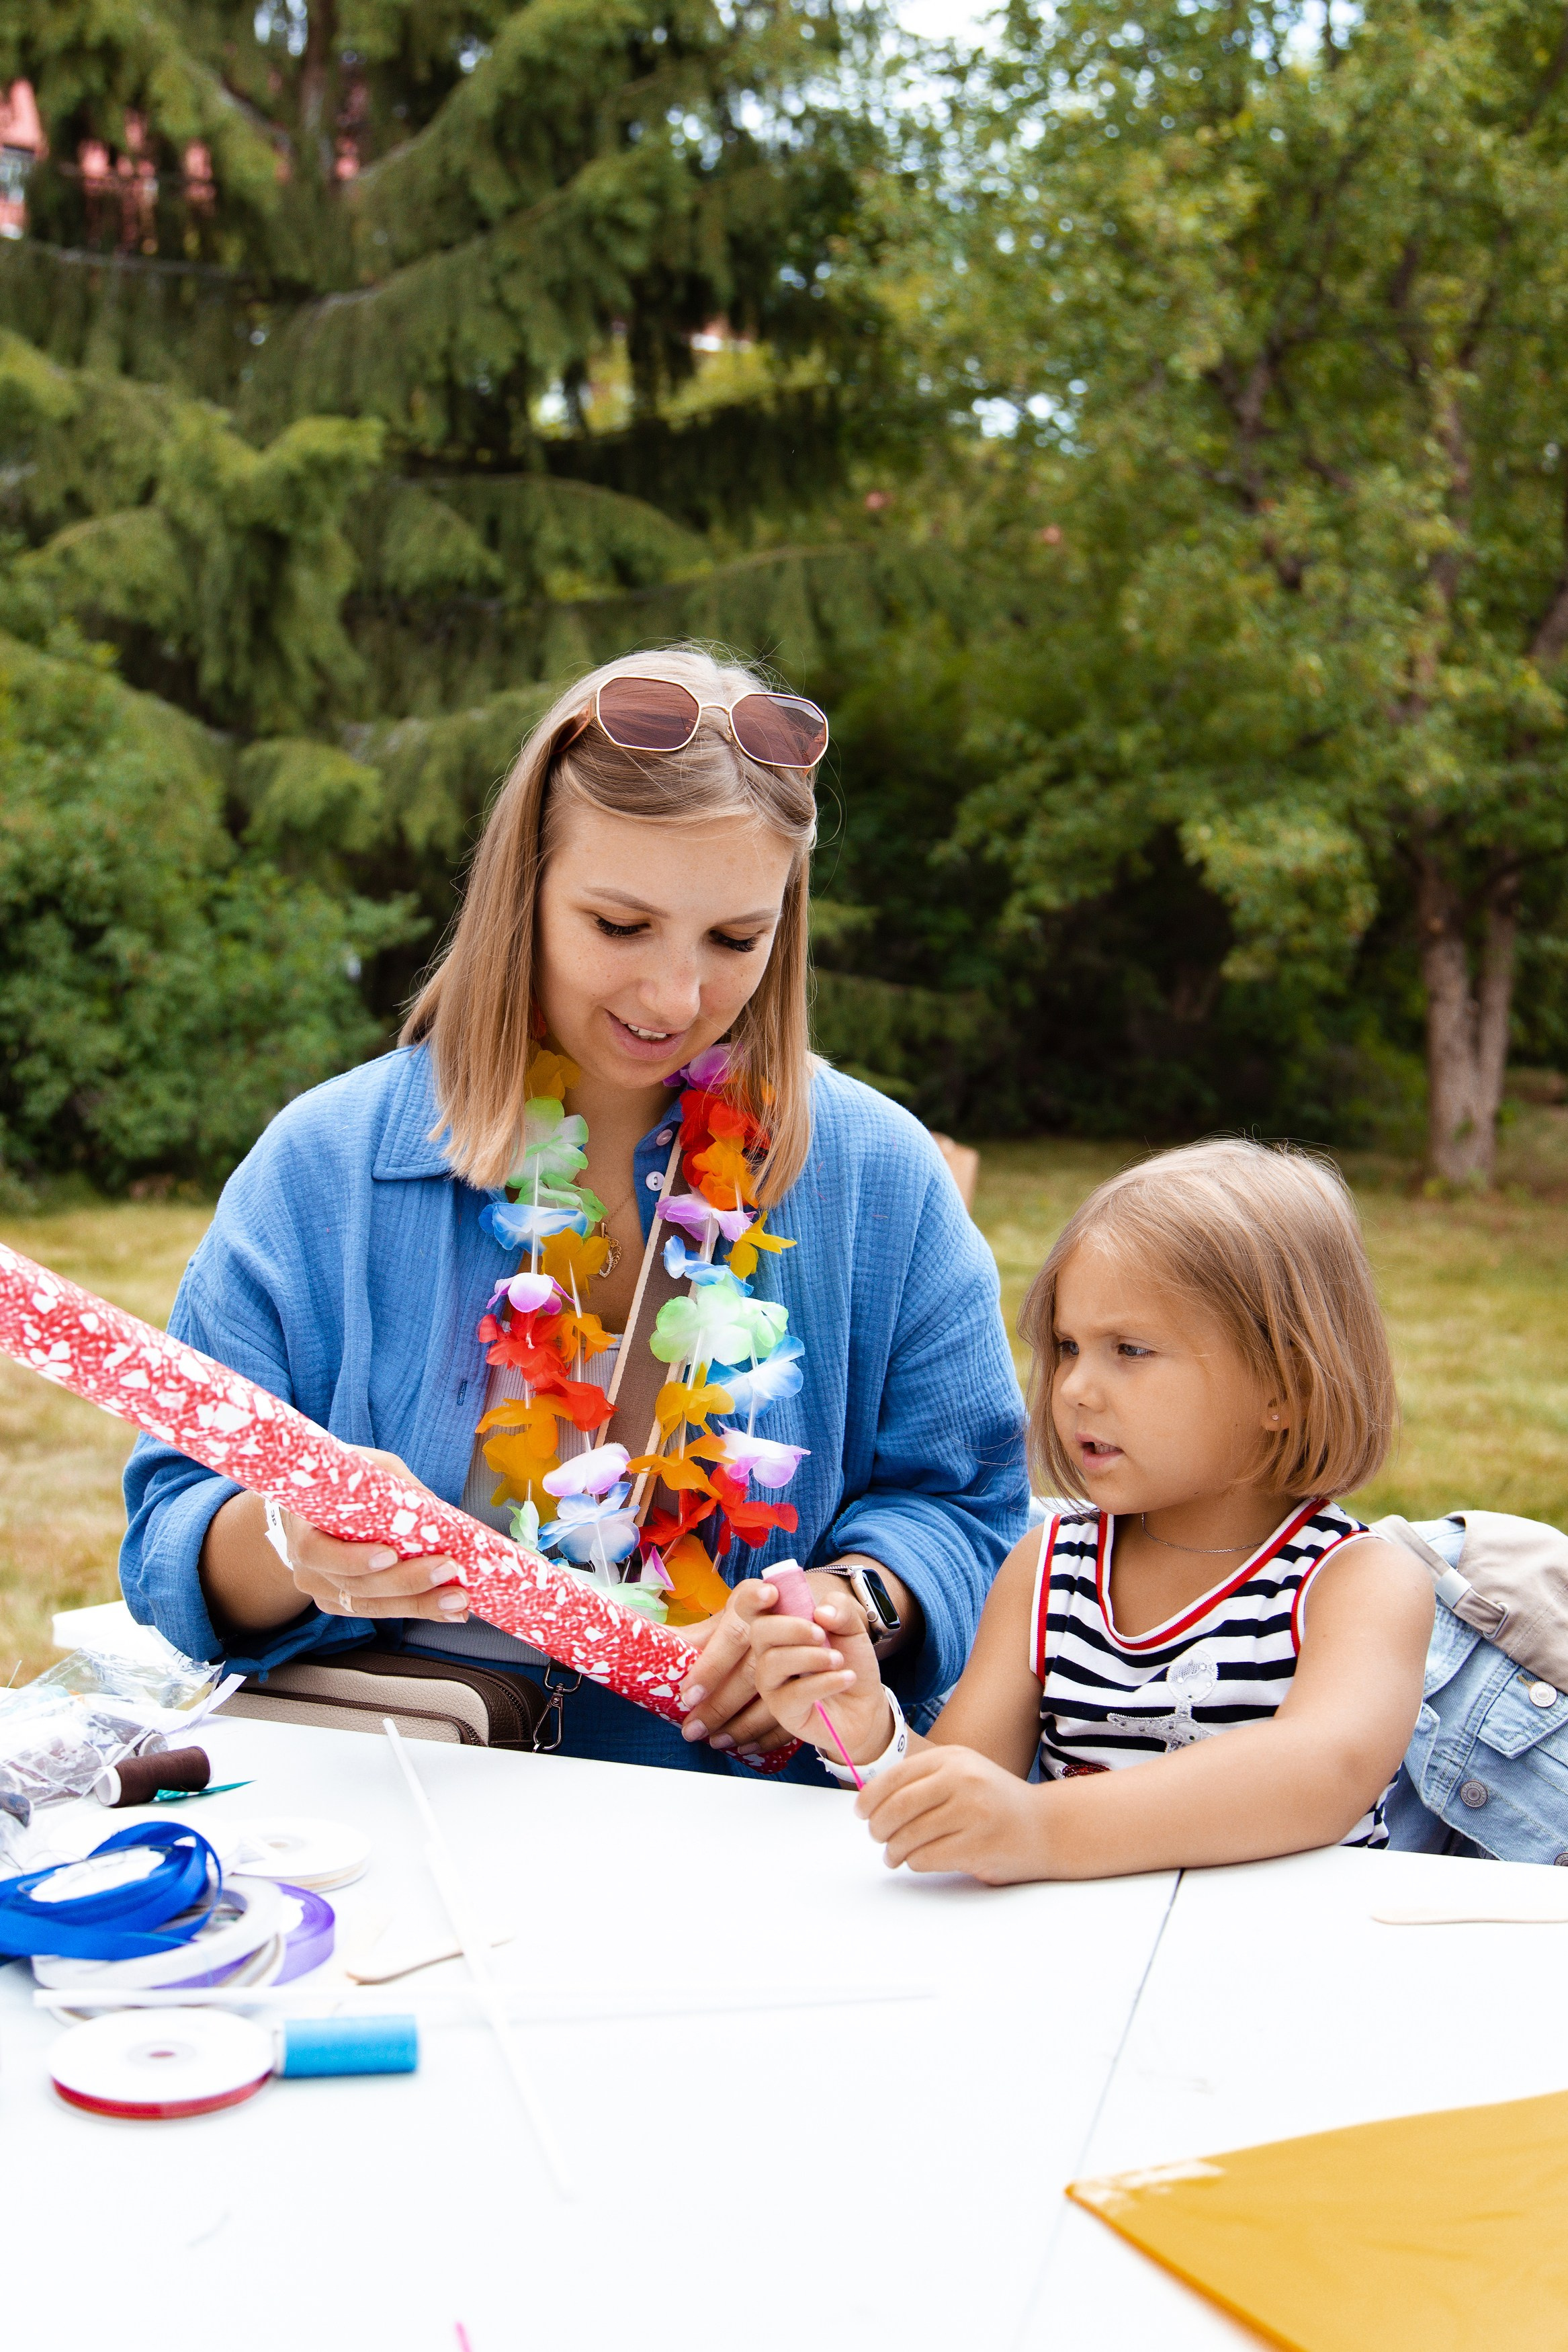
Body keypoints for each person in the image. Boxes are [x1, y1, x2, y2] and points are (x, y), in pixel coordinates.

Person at [120, 645, 1029, 1775]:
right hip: (401, 1806)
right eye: (618, 925)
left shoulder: (876, 1174)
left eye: (735, 940)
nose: (673, 996)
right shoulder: (325, 1164)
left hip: (743, 1827)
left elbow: (967, 1505)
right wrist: (284, 1544)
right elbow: (168, 1528)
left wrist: (850, 1610)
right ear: (524, 889)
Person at [737, 1138, 1434, 1864]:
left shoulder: (1357, 1582)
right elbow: (971, 1794)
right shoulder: (1050, 1571)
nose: (1072, 1387)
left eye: (1129, 1349)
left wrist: (1042, 1827)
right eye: (1069, 1346)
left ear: (1284, 1386)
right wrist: (869, 1728)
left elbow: (1322, 1772)